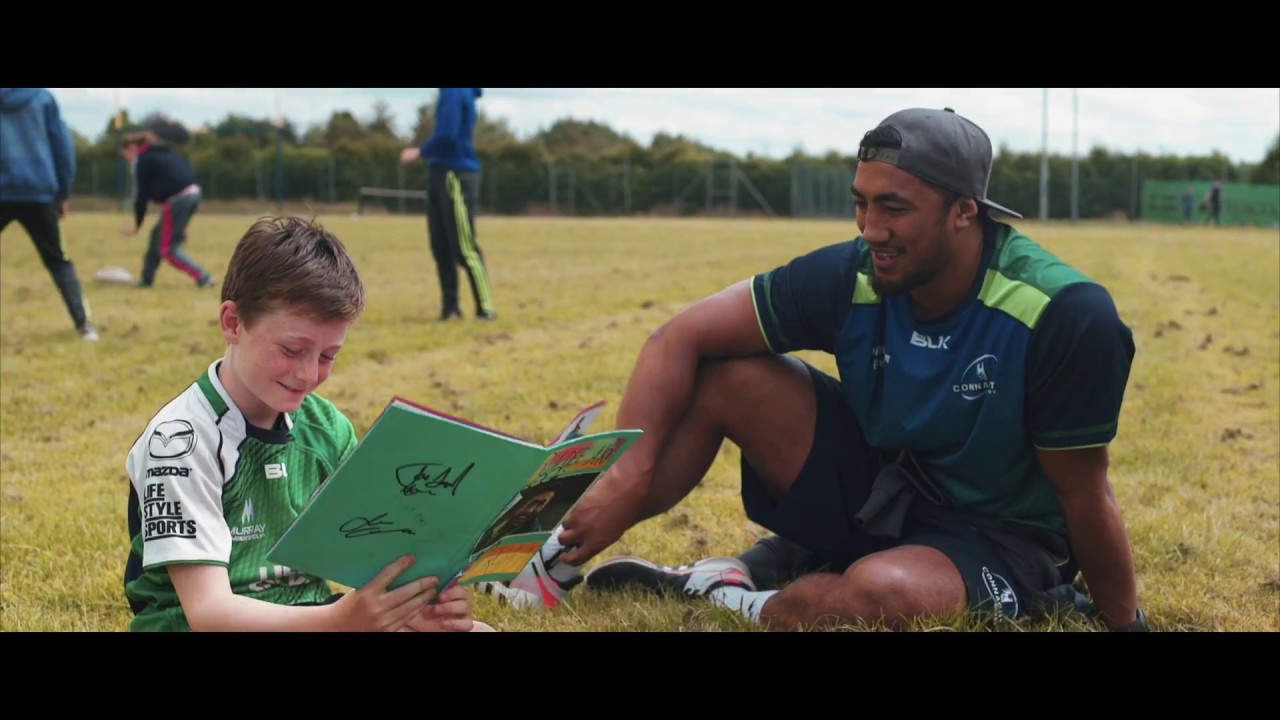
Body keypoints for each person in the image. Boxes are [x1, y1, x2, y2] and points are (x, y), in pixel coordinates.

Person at [508, 107, 1150, 632]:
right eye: (861, 203)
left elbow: (1083, 492)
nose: (871, 229)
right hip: (885, 489)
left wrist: (1126, 623)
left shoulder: (1062, 314)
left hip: (1001, 540)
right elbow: (677, 337)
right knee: (726, 375)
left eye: (895, 208)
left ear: (965, 211)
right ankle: (547, 567)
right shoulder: (857, 272)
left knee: (875, 596)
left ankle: (734, 593)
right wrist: (629, 473)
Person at [122, 215, 494, 632]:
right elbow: (209, 613)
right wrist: (341, 620)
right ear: (233, 322)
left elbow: (380, 551)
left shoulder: (327, 428)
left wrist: (420, 608)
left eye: (328, 356)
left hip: (312, 615)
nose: (307, 374)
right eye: (292, 348)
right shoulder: (181, 441)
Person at [0, 87, 97, 341]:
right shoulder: (42, 98)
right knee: (58, 260)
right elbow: (61, 145)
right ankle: (84, 325)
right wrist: (63, 192)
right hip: (39, 191)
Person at [399, 88, 497, 322]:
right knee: (440, 245)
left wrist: (419, 151)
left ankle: (485, 308)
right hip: (440, 172)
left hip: (455, 174)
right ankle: (450, 309)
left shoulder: (455, 91)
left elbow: (447, 135)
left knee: (463, 246)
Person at [119, 121, 216, 289]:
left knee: (167, 249)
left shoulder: (142, 159)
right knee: (157, 235)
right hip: (193, 193)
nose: (127, 159)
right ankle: (146, 281)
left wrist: (137, 224)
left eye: (125, 155)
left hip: (179, 198)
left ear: (132, 148)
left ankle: (204, 277)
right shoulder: (162, 153)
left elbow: (141, 195)